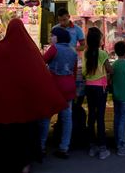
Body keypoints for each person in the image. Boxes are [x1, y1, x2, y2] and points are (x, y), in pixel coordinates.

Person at [0, 18, 66, 173]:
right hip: (24, 106)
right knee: (23, 135)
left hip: (0, 105)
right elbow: (40, 76)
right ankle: (24, 164)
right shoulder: (31, 50)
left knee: (0, 136)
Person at [40, 27, 78, 159]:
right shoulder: (73, 51)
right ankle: (64, 148)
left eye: (52, 36)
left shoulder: (54, 48)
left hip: (54, 86)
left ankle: (41, 146)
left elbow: (41, 61)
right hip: (69, 86)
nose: (51, 38)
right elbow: (74, 71)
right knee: (67, 118)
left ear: (58, 37)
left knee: (46, 117)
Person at [83, 26, 112, 160]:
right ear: (98, 40)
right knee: (100, 117)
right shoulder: (103, 54)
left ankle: (91, 146)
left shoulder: (86, 53)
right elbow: (109, 69)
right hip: (100, 88)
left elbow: (83, 72)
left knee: (92, 116)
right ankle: (102, 148)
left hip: (89, 87)